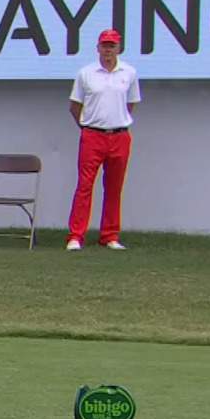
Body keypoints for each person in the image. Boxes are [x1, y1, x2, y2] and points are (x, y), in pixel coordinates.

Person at [65, 29, 140, 253]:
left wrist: (115, 121)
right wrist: (88, 125)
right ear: (98, 48)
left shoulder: (129, 72)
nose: (108, 50)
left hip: (119, 136)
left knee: (114, 187)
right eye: (104, 46)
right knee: (85, 186)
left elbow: (131, 104)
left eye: (112, 46)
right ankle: (76, 235)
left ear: (118, 48)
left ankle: (109, 235)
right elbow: (74, 106)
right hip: (92, 135)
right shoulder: (86, 73)